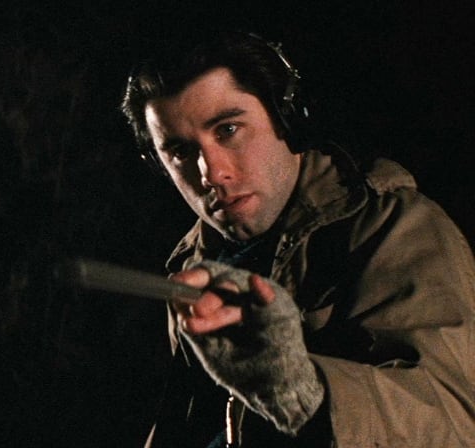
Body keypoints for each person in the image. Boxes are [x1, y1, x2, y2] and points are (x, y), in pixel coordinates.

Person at [120, 30, 475, 448]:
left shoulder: (392, 227)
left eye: (228, 129)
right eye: (181, 152)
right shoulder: (193, 262)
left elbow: (452, 420)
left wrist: (298, 388)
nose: (211, 173)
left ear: (287, 119)